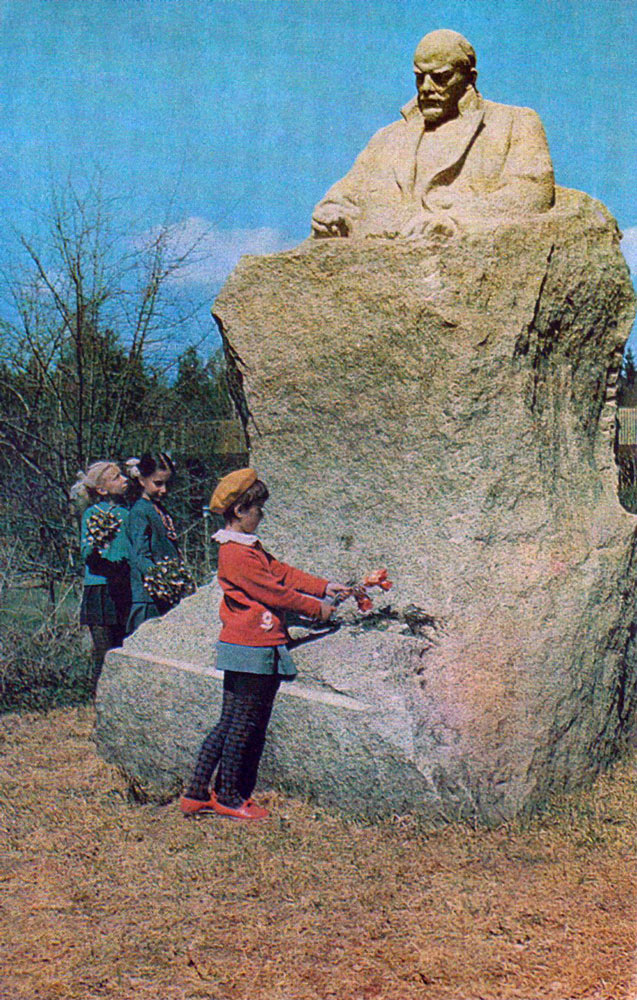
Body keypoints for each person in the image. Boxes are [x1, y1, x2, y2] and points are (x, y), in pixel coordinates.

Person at [180, 467, 350, 821]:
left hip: (242, 647)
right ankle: (229, 796)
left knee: (228, 723)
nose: (262, 515)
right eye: (258, 509)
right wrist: (317, 609)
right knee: (242, 726)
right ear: (240, 510)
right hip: (252, 647)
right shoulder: (237, 554)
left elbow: (281, 571)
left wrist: (323, 586)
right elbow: (275, 592)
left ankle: (196, 793)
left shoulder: (246, 547)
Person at [311, 28, 555, 240]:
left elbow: (531, 192)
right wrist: (332, 212)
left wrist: (456, 221)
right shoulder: (389, 138)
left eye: (441, 78)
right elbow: (347, 194)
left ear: (470, 78)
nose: (427, 88)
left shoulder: (514, 122)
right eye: (420, 78)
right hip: (382, 257)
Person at [71, 461, 131, 693]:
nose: (124, 480)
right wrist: (97, 546)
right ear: (102, 489)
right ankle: (99, 696)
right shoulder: (91, 514)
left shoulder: (127, 513)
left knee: (121, 646)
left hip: (123, 587)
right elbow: (86, 553)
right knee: (103, 650)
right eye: (116, 477)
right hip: (99, 588)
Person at [125, 452, 181, 633]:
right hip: (149, 599)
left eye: (167, 484)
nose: (164, 490)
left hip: (166, 597)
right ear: (142, 480)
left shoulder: (159, 509)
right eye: (158, 483)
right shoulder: (139, 512)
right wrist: (162, 578)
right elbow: (140, 556)